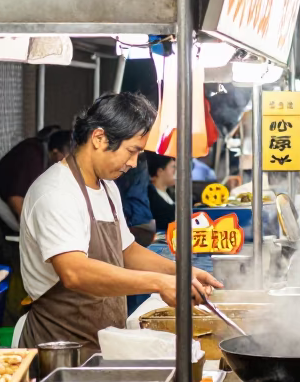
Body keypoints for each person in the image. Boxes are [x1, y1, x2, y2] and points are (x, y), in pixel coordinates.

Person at [19, 92, 222, 356]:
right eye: (132, 150)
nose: (133, 163)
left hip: (102, 342)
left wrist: (181, 272)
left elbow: (126, 251)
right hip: (59, 349)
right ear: (99, 138)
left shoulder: (107, 187)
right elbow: (74, 272)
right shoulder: (56, 192)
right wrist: (160, 283)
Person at [0, 127, 72, 324]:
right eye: (65, 157)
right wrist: (34, 229)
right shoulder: (32, 154)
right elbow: (15, 197)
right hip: (6, 228)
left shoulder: (41, 156)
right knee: (15, 280)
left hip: (14, 225)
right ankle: (11, 324)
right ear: (56, 152)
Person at [146, 151, 176, 234]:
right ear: (160, 171)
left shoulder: (171, 193)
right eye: (173, 167)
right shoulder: (150, 197)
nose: (176, 172)